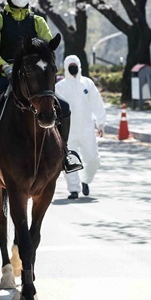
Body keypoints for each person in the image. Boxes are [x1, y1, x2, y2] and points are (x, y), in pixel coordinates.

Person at [0, 0, 83, 178]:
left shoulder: (38, 21)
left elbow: (47, 47)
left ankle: (65, 153)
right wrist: (5, 67)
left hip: (33, 77)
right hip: (5, 75)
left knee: (63, 106)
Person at [55, 54, 106, 199]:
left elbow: (97, 103)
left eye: (75, 66)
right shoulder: (59, 87)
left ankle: (86, 180)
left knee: (93, 160)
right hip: (68, 131)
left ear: (79, 66)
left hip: (87, 129)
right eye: (70, 67)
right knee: (70, 160)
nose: (73, 69)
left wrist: (100, 123)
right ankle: (74, 189)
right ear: (65, 68)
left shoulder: (87, 84)